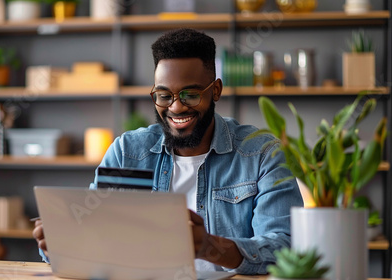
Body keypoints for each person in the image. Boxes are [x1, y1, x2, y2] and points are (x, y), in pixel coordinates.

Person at [33, 28, 303, 275]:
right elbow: (94, 238)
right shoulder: (127, 152)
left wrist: (209, 246)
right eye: (164, 95)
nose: (176, 107)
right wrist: (60, 241)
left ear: (216, 90)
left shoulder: (261, 154)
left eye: (190, 95)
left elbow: (284, 248)